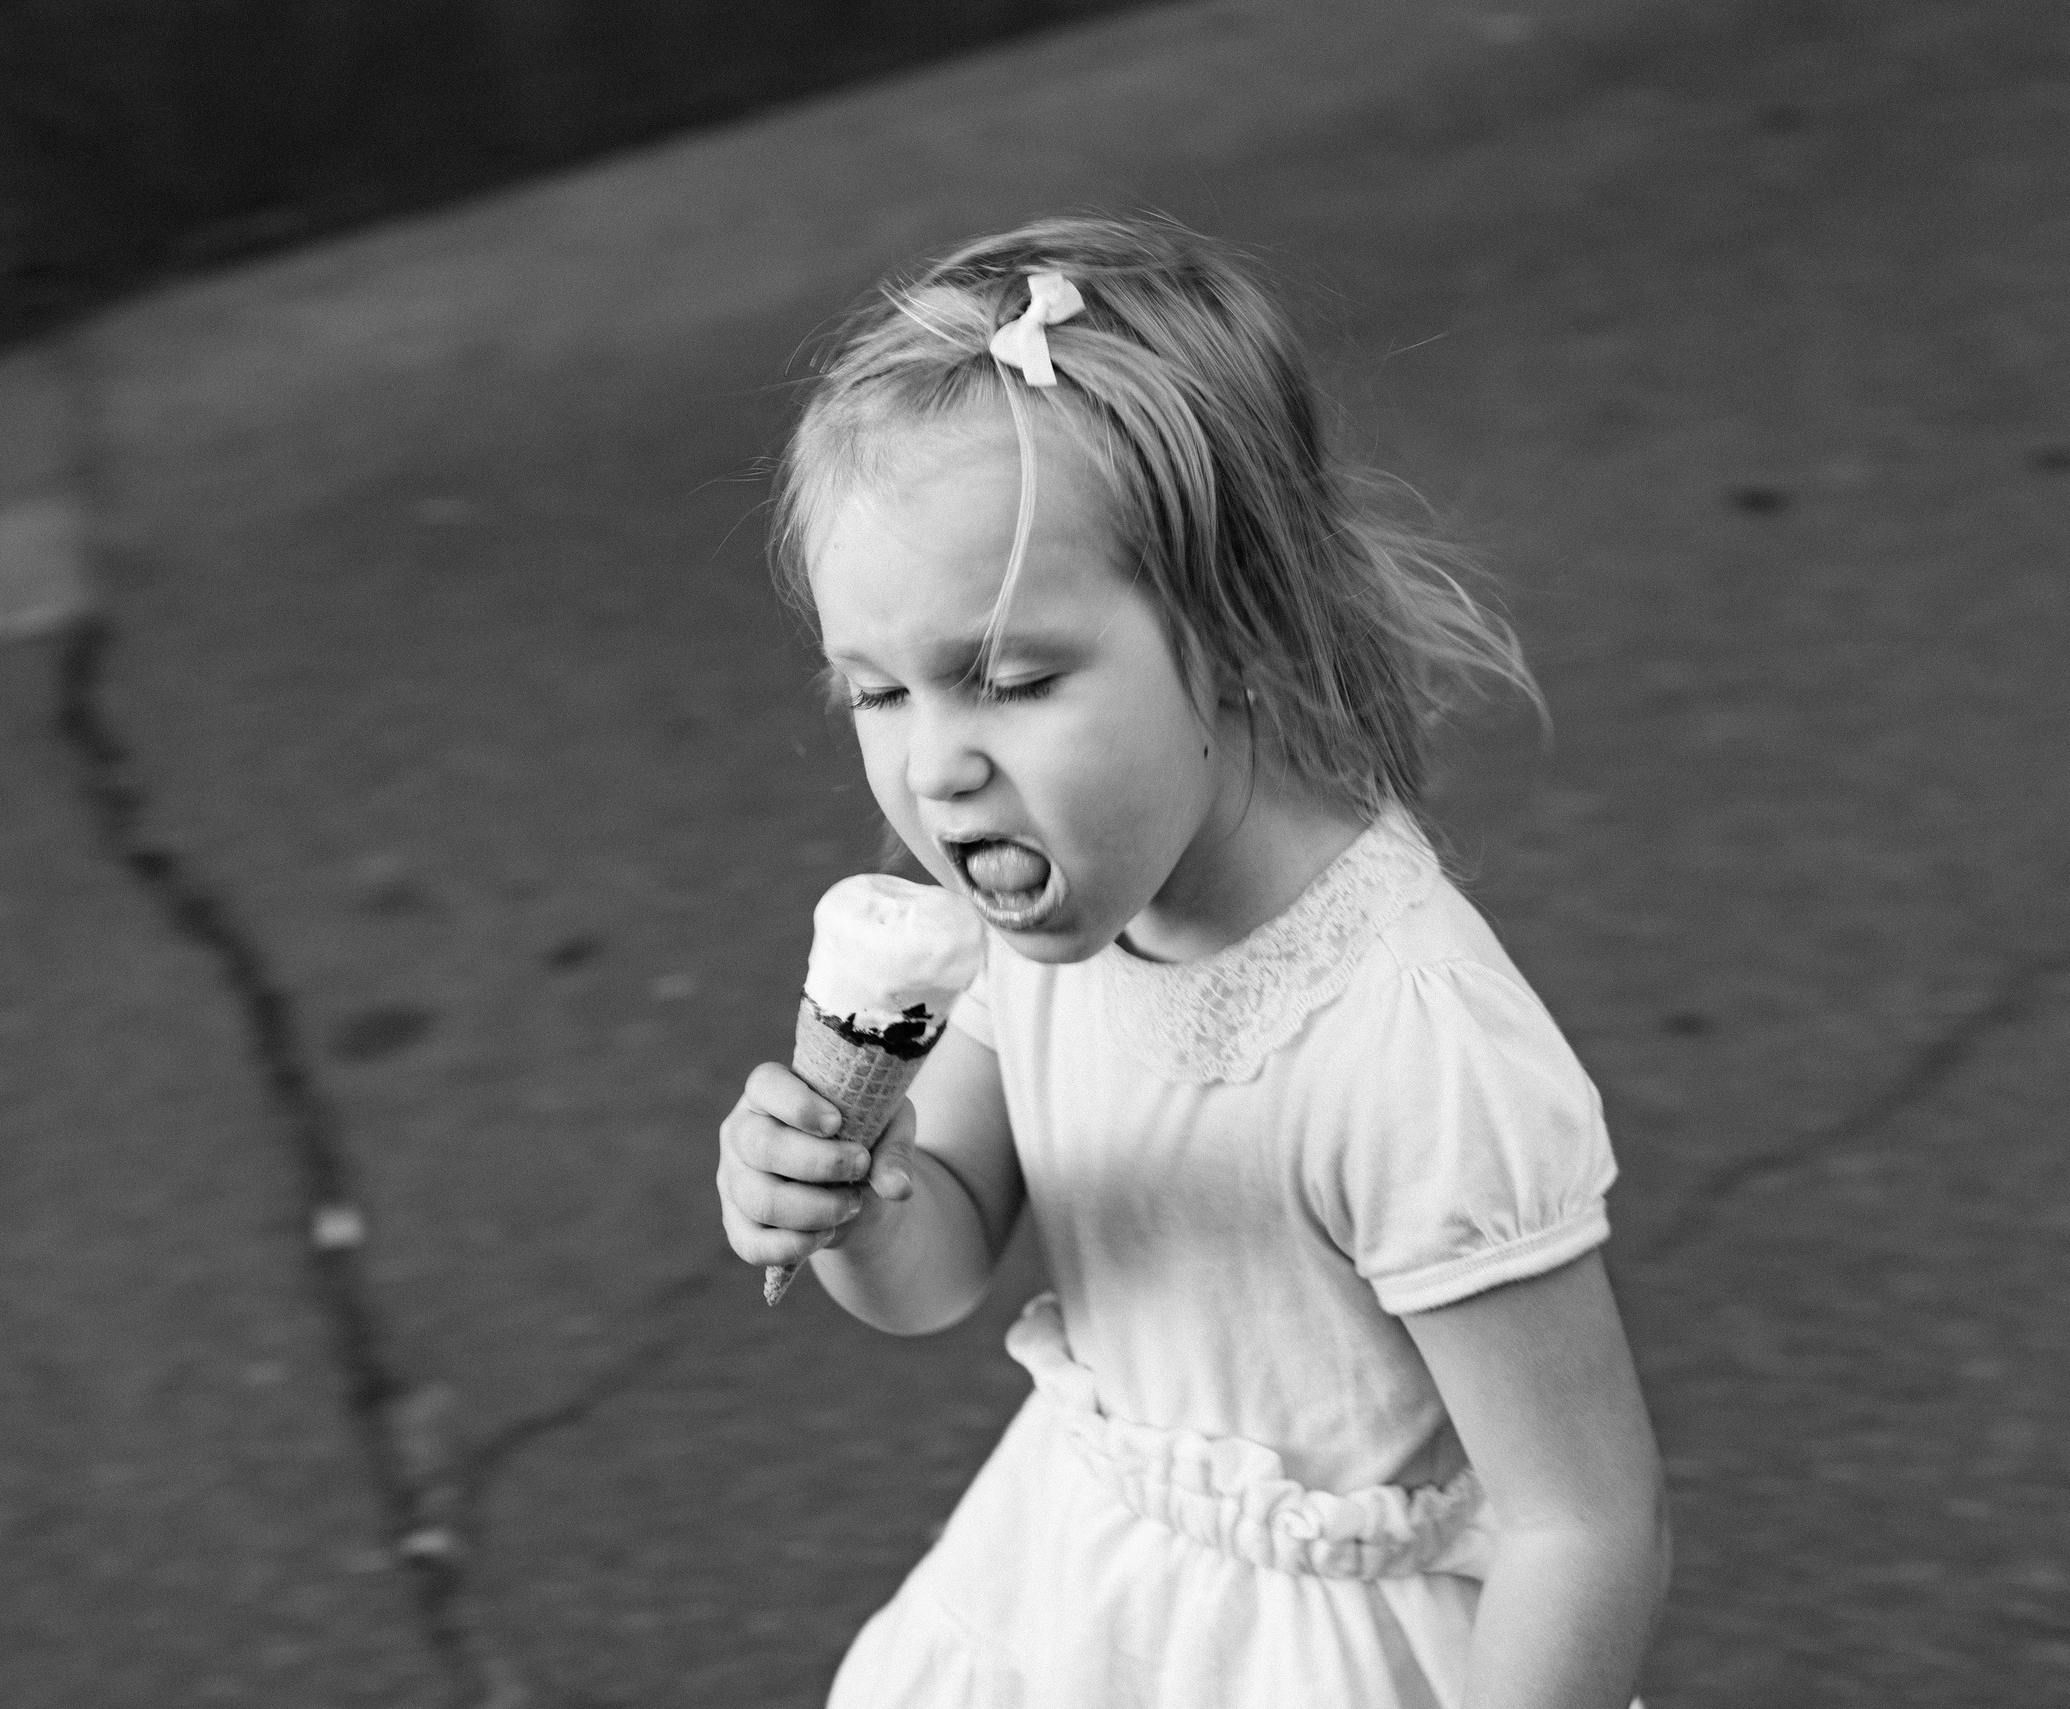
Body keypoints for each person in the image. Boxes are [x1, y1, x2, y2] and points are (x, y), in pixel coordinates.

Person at [715, 216, 1669, 1708]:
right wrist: (846, 1200)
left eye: (1011, 679)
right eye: (877, 690)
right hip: (1084, 1586)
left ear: (1232, 627)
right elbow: (940, 1254)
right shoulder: (1028, 925)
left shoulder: (1404, 1044)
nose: (936, 767)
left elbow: (1584, 1523)